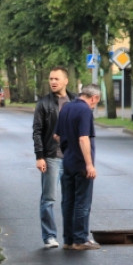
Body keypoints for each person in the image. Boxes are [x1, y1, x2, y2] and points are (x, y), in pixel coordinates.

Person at [32, 67, 75, 249]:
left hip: (72, 158)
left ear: (66, 81)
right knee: (49, 198)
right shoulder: (44, 104)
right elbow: (37, 132)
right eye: (50, 79)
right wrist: (40, 156)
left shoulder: (75, 101)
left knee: (72, 199)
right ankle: (49, 235)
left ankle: (73, 236)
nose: (53, 82)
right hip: (51, 157)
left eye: (56, 78)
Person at [56, 84, 102, 250]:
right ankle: (80, 239)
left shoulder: (66, 107)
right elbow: (84, 139)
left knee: (68, 201)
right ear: (94, 98)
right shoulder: (85, 111)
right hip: (81, 164)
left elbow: (57, 135)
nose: (94, 105)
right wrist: (89, 164)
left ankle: (68, 240)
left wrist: (67, 149)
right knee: (82, 201)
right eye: (96, 102)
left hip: (67, 161)